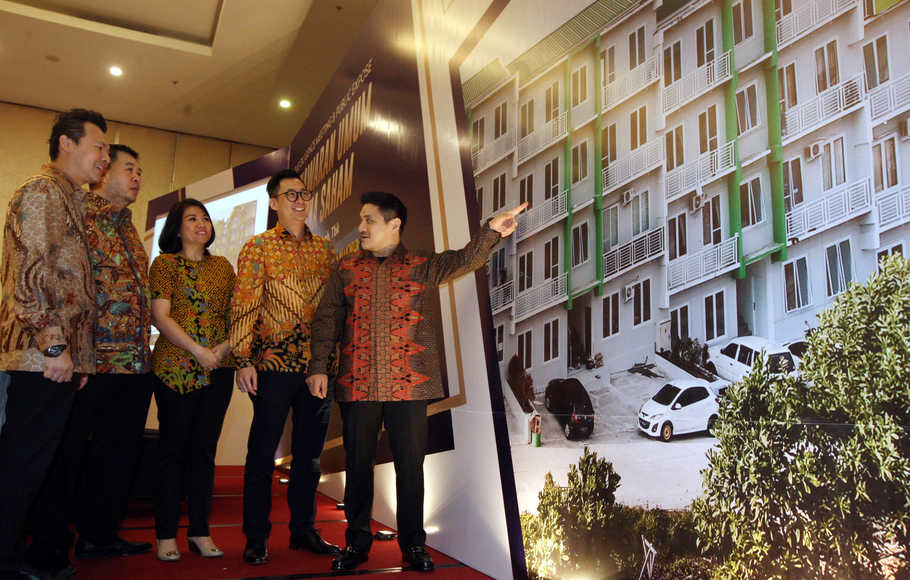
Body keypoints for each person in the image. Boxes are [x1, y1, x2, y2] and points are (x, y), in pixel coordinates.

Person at [307, 192, 524, 572]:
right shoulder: (346, 269)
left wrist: (492, 230)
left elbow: (465, 259)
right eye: (361, 219)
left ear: (394, 224)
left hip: (410, 386)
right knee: (358, 467)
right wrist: (318, 367)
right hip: (357, 384)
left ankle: (413, 545)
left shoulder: (422, 265)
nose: (361, 227)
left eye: (369, 220)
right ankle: (356, 544)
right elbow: (327, 319)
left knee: (411, 468)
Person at [26, 144, 154, 576]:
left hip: (134, 364)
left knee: (118, 454)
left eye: (140, 171)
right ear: (103, 174)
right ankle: (49, 546)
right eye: (129, 169)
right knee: (68, 456)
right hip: (90, 362)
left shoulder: (129, 226)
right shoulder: (79, 213)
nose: (137, 177)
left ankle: (100, 534)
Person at [0, 108, 109, 580]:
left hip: (58, 359)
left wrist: (75, 356)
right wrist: (52, 346)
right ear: (67, 143)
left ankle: (22, 558)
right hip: (37, 359)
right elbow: (27, 274)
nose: (104, 158)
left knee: (39, 468)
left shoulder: (70, 199)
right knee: (21, 467)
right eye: (99, 146)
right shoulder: (42, 192)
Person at [230, 169, 339, 566]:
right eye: (290, 194)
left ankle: (303, 531)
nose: (299, 200)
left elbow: (333, 308)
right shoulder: (257, 247)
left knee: (309, 456)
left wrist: (329, 360)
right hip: (272, 365)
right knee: (262, 454)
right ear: (274, 202)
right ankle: (256, 537)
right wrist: (243, 359)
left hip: (317, 368)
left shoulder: (325, 249)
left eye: (304, 193)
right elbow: (245, 304)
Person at [150, 199, 235, 562]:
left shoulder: (223, 266)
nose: (202, 224)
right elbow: (160, 316)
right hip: (175, 368)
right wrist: (198, 351)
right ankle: (166, 535)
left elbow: (237, 314)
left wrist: (222, 349)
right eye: (192, 218)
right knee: (172, 452)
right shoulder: (165, 264)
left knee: (204, 452)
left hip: (219, 368)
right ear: (177, 227)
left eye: (205, 218)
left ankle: (200, 531)